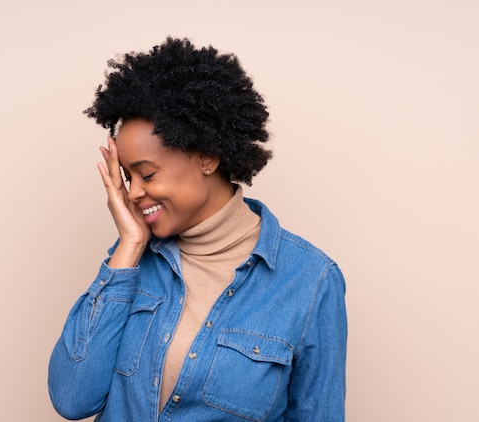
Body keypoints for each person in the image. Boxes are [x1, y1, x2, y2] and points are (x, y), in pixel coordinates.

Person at [48, 37, 347, 421]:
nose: (133, 192)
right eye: (126, 176)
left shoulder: (310, 281)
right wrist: (129, 244)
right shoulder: (131, 262)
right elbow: (72, 399)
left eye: (147, 173)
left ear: (207, 156)